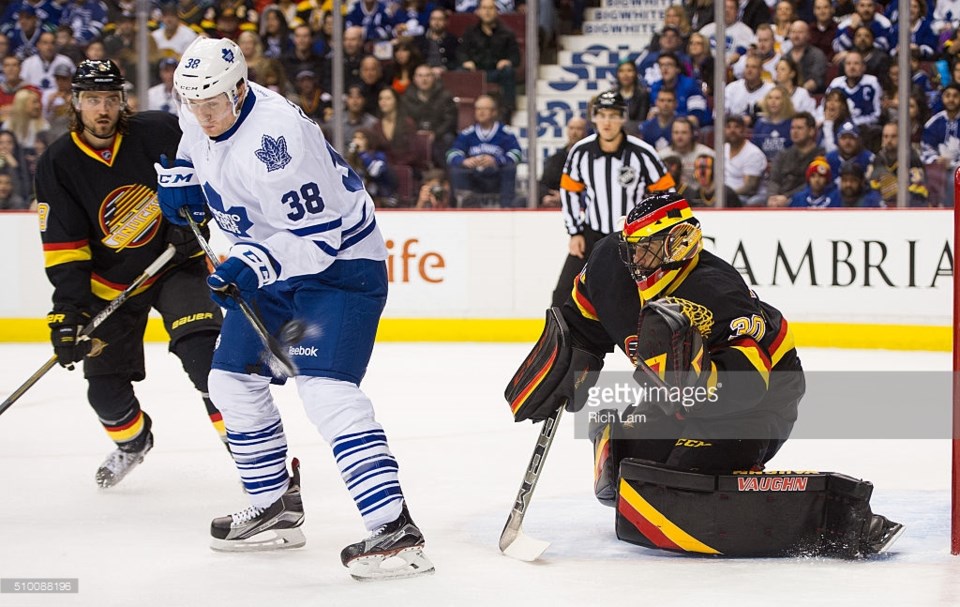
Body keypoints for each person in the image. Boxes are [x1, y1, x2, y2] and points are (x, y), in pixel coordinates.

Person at [157, 37, 432, 579]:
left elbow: (323, 237)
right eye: (193, 104)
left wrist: (253, 262)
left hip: (338, 270)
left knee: (325, 391)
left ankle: (395, 530)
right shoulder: (200, 104)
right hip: (273, 263)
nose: (202, 114)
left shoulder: (277, 141)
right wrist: (185, 179)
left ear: (239, 90)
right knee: (230, 381)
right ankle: (275, 506)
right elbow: (193, 143)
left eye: (212, 104)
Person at [505, 192, 902, 558]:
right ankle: (623, 433)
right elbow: (583, 318)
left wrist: (696, 384)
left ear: (679, 242)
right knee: (629, 477)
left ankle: (833, 516)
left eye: (644, 251)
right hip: (672, 396)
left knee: (684, 487)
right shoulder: (612, 260)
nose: (633, 262)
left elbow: (747, 385)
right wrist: (572, 357)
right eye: (631, 249)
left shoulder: (717, 289)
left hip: (762, 402)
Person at [34, 59, 226, 488]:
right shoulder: (58, 163)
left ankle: (251, 450)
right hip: (111, 286)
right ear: (76, 103)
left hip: (176, 266)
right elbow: (65, 249)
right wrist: (68, 313)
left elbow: (206, 171)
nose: (102, 109)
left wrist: (191, 222)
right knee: (103, 393)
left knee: (207, 360)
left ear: (123, 101)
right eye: (92, 99)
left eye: (110, 98)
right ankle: (133, 442)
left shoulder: (157, 130)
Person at [550, 90, 674, 308]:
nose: (607, 121)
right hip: (591, 235)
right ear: (594, 117)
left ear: (623, 118)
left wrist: (654, 233)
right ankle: (562, 342)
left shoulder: (643, 153)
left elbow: (667, 194)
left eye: (613, 115)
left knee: (641, 297)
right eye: (602, 115)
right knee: (563, 294)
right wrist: (575, 231)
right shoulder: (580, 152)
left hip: (633, 239)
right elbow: (569, 191)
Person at [446, 94, 522, 208]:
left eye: (485, 109)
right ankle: (466, 205)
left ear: (494, 112)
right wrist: (464, 161)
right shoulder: (467, 133)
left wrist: (496, 161)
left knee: (510, 168)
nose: (481, 112)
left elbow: (517, 154)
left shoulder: (505, 133)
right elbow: (451, 154)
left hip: (496, 175)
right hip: (475, 176)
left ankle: (506, 207)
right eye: (478, 109)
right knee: (456, 170)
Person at [767, 111, 825, 207]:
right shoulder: (782, 154)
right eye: (792, 128)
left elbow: (812, 184)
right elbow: (774, 180)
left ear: (811, 131)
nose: (794, 131)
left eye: (799, 128)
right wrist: (772, 197)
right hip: (778, 200)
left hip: (804, 201)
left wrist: (787, 197)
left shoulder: (820, 156)